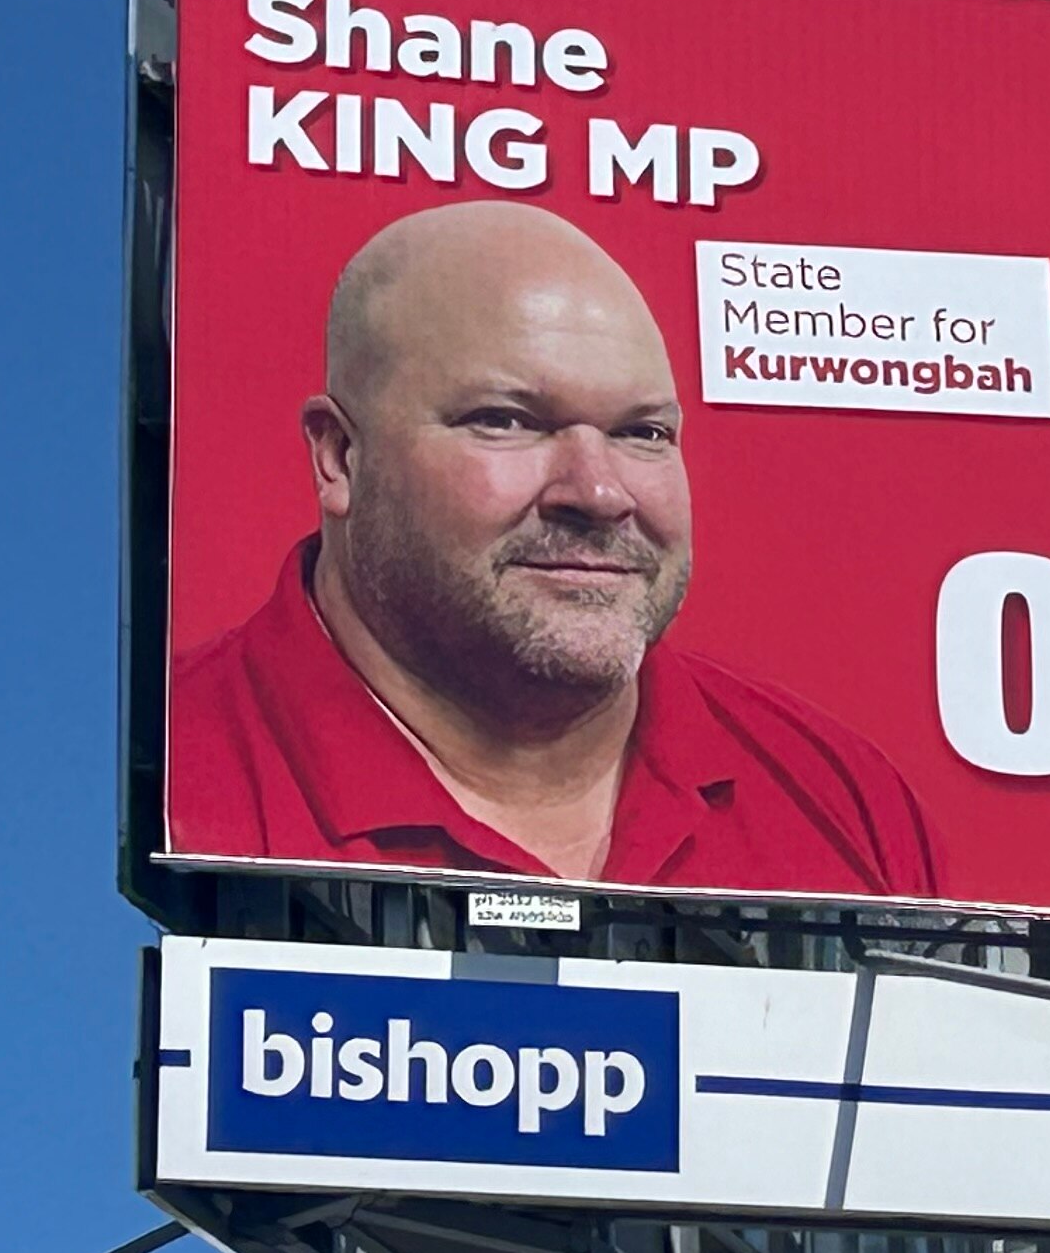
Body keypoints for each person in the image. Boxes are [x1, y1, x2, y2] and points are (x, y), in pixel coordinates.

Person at [172, 199, 944, 895]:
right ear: (339, 456)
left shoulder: (843, 806)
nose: (599, 494)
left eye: (642, 433)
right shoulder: (163, 776)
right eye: (506, 421)